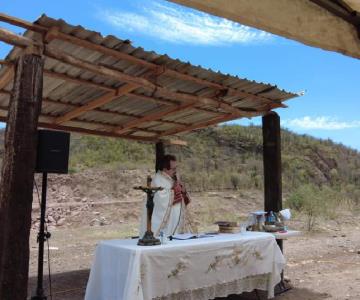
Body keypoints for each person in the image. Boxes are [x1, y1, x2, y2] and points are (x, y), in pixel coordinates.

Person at [139, 154, 194, 237]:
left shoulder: (173, 179)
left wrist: (183, 191)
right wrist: (174, 190)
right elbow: (160, 199)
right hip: (165, 226)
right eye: (173, 168)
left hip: (176, 224)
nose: (175, 170)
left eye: (176, 168)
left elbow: (182, 198)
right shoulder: (158, 179)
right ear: (165, 169)